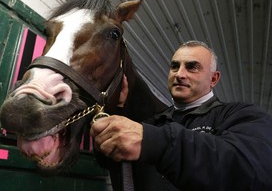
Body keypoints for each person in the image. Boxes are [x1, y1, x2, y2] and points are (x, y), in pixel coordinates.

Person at [90, 40, 272, 191]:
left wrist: (157, 143)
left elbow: (250, 169)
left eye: (192, 67)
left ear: (214, 79)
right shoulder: (153, 122)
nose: (179, 74)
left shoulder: (240, 115)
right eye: (175, 66)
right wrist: (117, 110)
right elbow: (111, 162)